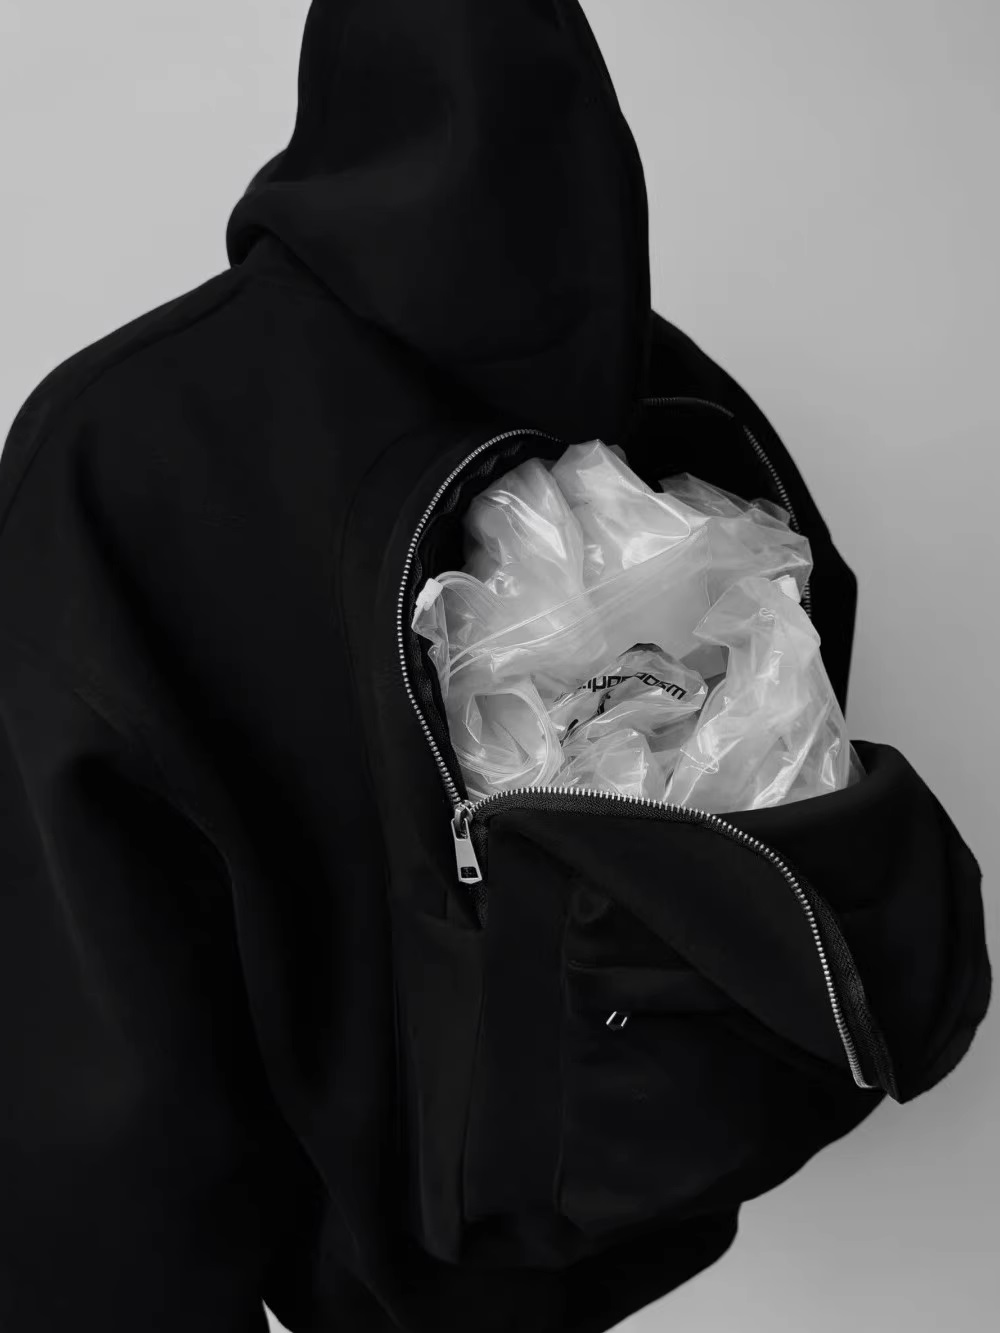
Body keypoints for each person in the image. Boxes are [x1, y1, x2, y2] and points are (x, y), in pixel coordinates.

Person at [0, 4, 987, 1332]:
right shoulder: (687, 399)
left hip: (361, 1263)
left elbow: (86, 1019)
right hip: (639, 1174)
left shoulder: (121, 446)